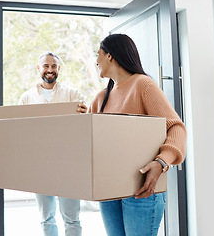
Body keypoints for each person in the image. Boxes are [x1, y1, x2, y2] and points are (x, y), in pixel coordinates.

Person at [88, 34, 187, 236]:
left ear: (109, 56)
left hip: (141, 191)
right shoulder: (100, 98)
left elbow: (176, 128)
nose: (95, 61)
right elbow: (88, 140)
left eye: (97, 54)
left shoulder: (143, 85)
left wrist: (161, 162)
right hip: (109, 191)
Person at [19, 52, 87, 236]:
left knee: (72, 218)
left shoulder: (73, 94)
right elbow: (21, 134)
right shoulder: (26, 98)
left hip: (69, 164)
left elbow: (84, 126)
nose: (50, 70)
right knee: (46, 218)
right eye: (46, 66)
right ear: (38, 68)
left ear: (59, 68)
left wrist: (85, 114)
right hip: (40, 165)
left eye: (54, 66)